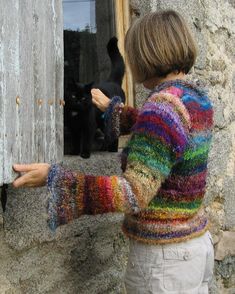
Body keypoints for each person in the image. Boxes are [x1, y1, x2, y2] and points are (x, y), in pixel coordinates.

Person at [13, 10, 214, 294]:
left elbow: (133, 192)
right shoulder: (197, 99)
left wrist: (55, 178)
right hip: (194, 247)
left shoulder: (163, 107)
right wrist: (114, 111)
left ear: (146, 55)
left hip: (164, 262)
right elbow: (165, 130)